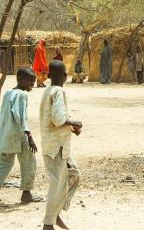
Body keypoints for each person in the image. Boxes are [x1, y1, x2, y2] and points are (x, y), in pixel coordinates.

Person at [40, 60, 82, 230]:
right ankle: (48, 223)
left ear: (49, 76)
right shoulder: (59, 92)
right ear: (65, 76)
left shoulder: (47, 91)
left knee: (74, 174)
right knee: (57, 184)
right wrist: (74, 121)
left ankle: (55, 214)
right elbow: (58, 119)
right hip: (56, 148)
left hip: (56, 145)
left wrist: (70, 128)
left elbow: (55, 118)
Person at [0, 68, 44, 203]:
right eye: (30, 80)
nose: (32, 83)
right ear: (19, 79)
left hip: (6, 135)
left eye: (34, 81)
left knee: (4, 165)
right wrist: (29, 137)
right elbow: (21, 117)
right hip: (20, 135)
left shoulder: (8, 92)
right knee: (29, 162)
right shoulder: (22, 95)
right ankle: (26, 194)